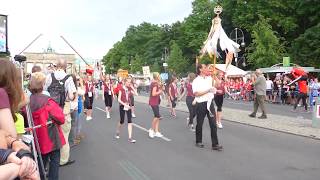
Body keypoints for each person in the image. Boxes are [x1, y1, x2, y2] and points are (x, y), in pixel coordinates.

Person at [29, 72, 65, 180]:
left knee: (39, 163)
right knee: (54, 163)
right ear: (43, 84)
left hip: (36, 138)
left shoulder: (27, 101)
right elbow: (61, 118)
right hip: (50, 137)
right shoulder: (48, 101)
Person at [44, 59, 77, 167]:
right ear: (65, 67)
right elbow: (72, 96)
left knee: (50, 135)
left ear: (56, 65)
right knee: (64, 136)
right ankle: (62, 160)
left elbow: (44, 92)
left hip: (50, 112)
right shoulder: (68, 78)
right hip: (63, 111)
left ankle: (49, 160)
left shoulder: (49, 76)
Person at [192, 64, 222, 151]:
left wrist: (215, 76)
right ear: (200, 70)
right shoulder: (196, 81)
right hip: (201, 103)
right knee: (200, 123)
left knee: (213, 124)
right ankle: (198, 141)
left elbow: (218, 85)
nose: (207, 69)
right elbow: (196, 94)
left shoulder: (209, 78)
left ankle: (215, 144)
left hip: (210, 103)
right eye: (205, 67)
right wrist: (208, 90)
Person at [115, 78, 138, 143]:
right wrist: (124, 104)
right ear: (124, 82)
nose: (129, 83)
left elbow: (136, 94)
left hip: (129, 106)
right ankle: (118, 131)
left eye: (130, 82)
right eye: (128, 82)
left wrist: (132, 87)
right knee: (122, 121)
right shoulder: (121, 89)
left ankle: (130, 138)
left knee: (130, 121)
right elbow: (119, 99)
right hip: (122, 106)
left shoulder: (130, 89)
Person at [148, 72, 164, 138]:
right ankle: (151, 130)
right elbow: (153, 94)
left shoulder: (155, 83)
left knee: (157, 117)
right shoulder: (154, 84)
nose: (160, 77)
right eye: (159, 76)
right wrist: (160, 91)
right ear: (157, 77)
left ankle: (156, 131)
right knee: (157, 116)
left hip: (155, 101)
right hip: (153, 102)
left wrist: (161, 88)